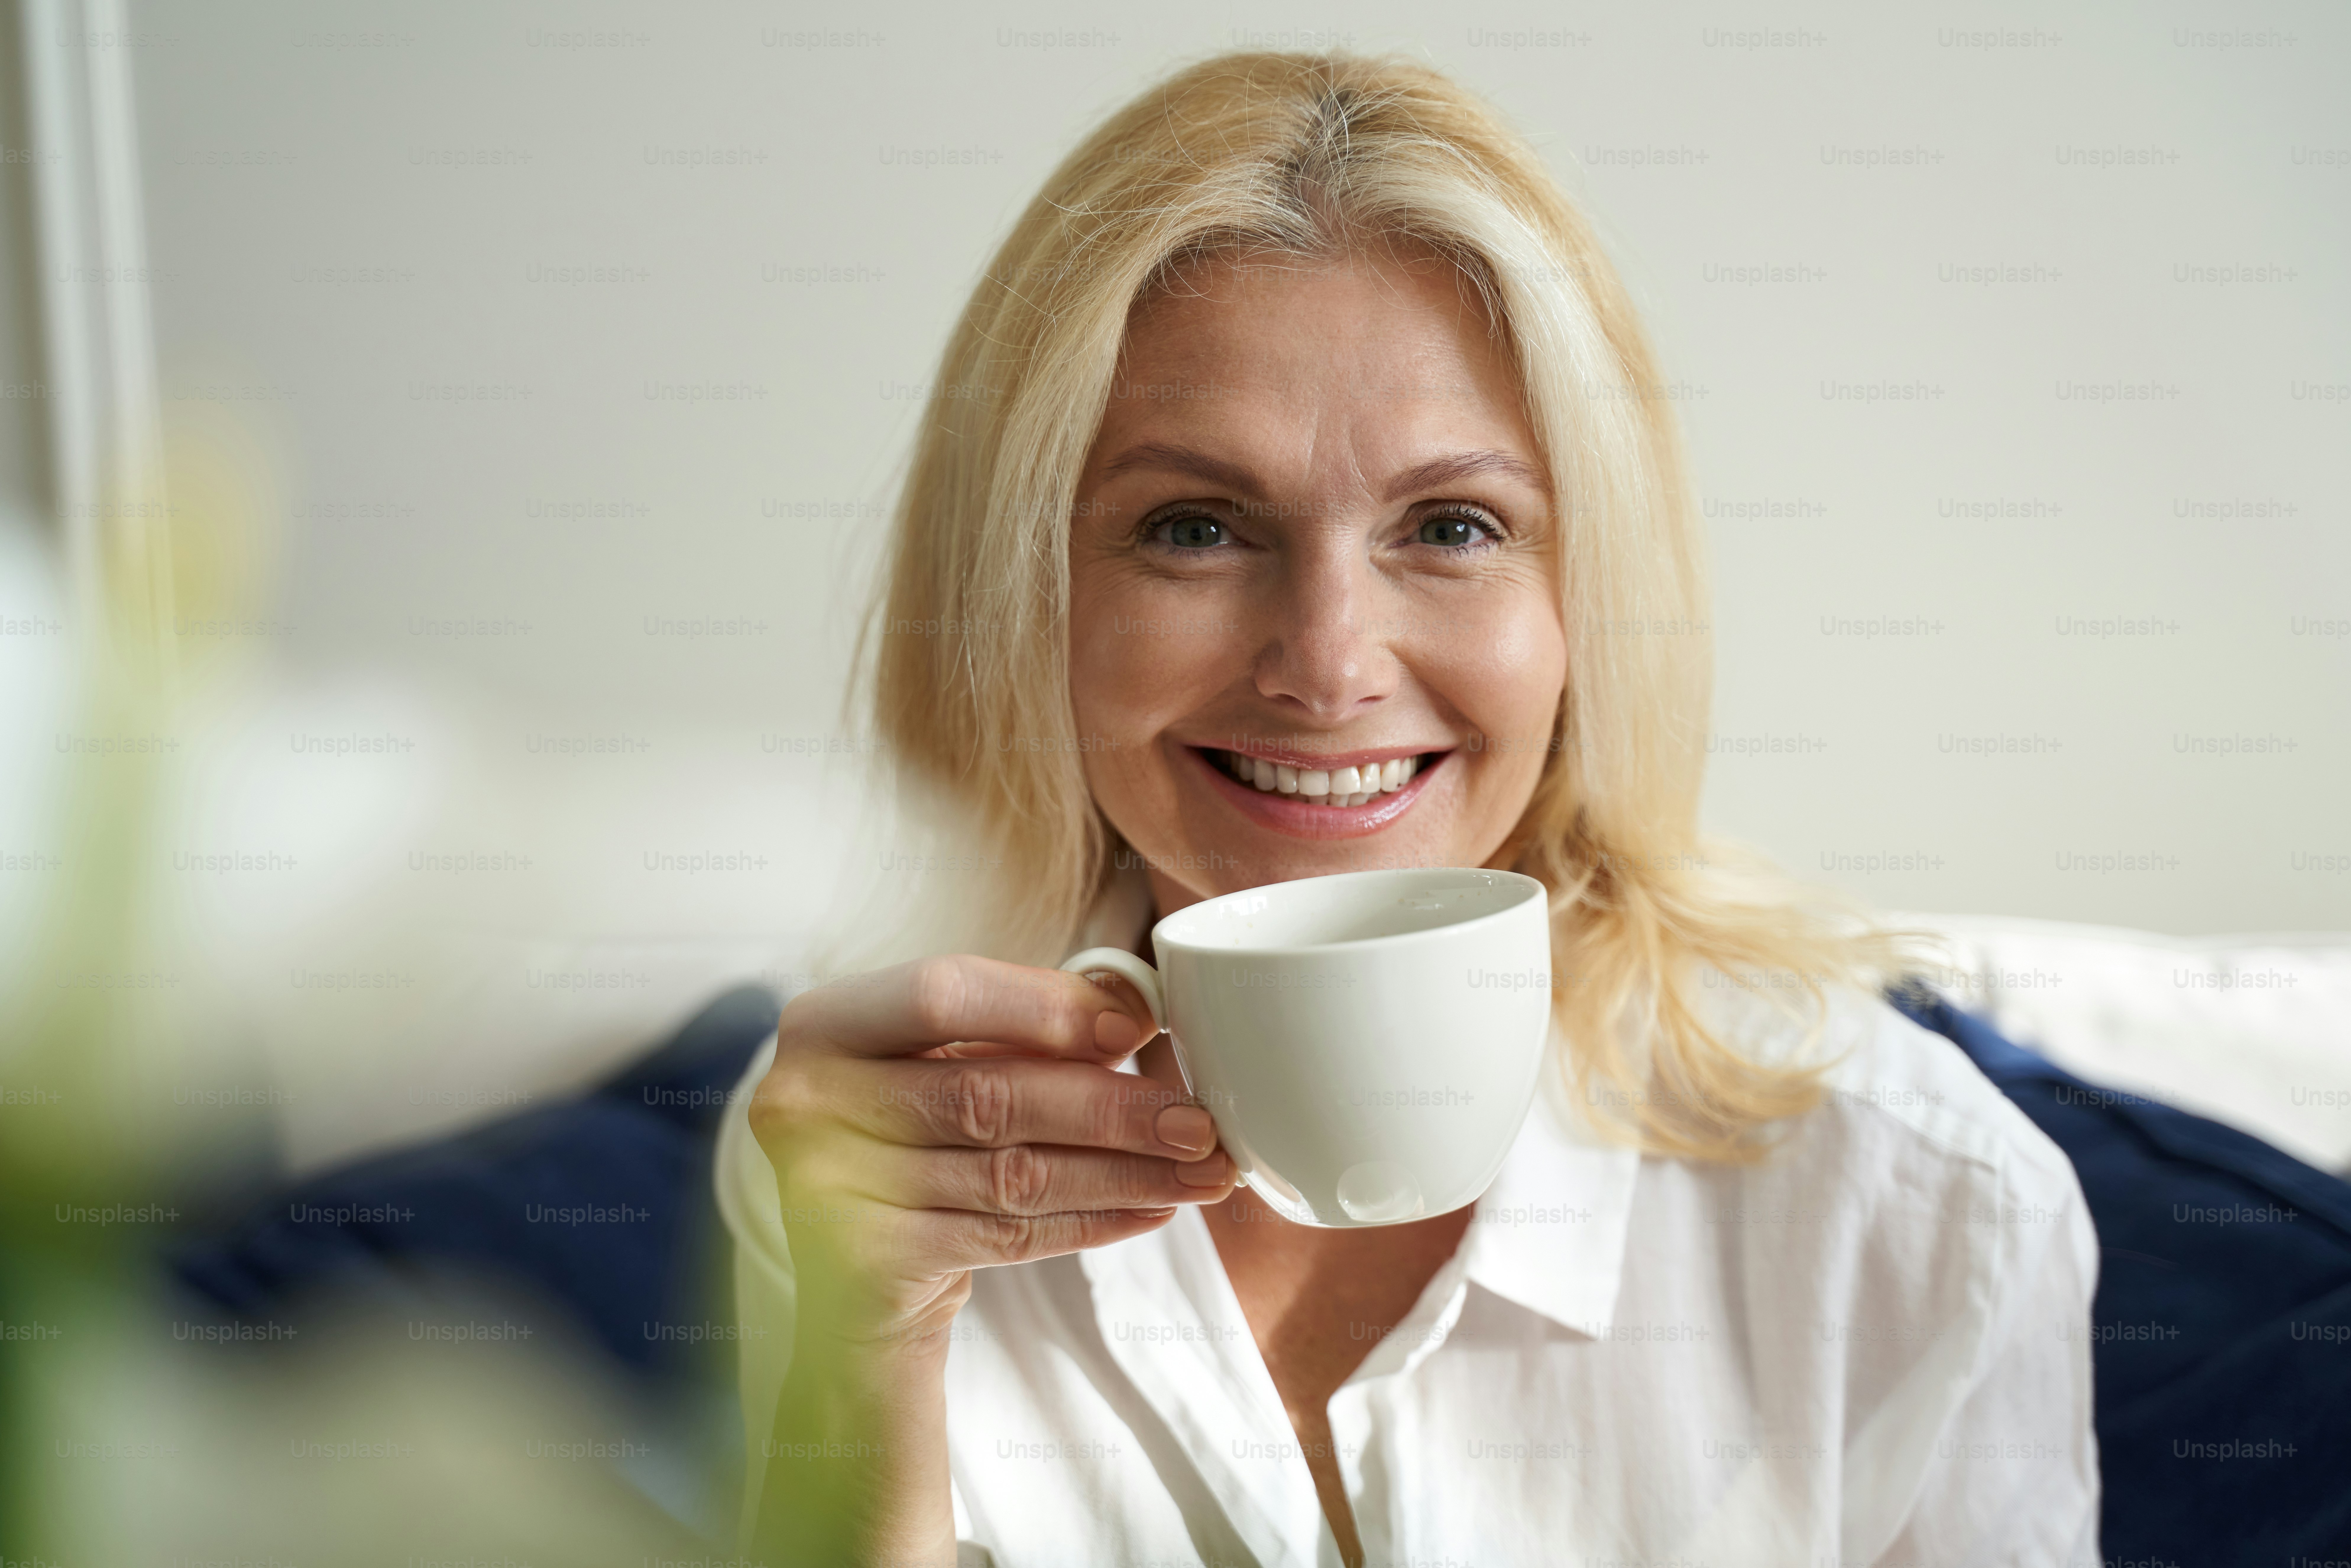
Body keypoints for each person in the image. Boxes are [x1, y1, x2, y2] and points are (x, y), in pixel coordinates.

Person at [716, 50, 2098, 1567]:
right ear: (1022, 598)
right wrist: (865, 1376)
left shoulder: (1922, 1213)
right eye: (1191, 527)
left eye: (1452, 526)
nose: (1326, 665)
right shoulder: (871, 1151)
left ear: (1590, 603)